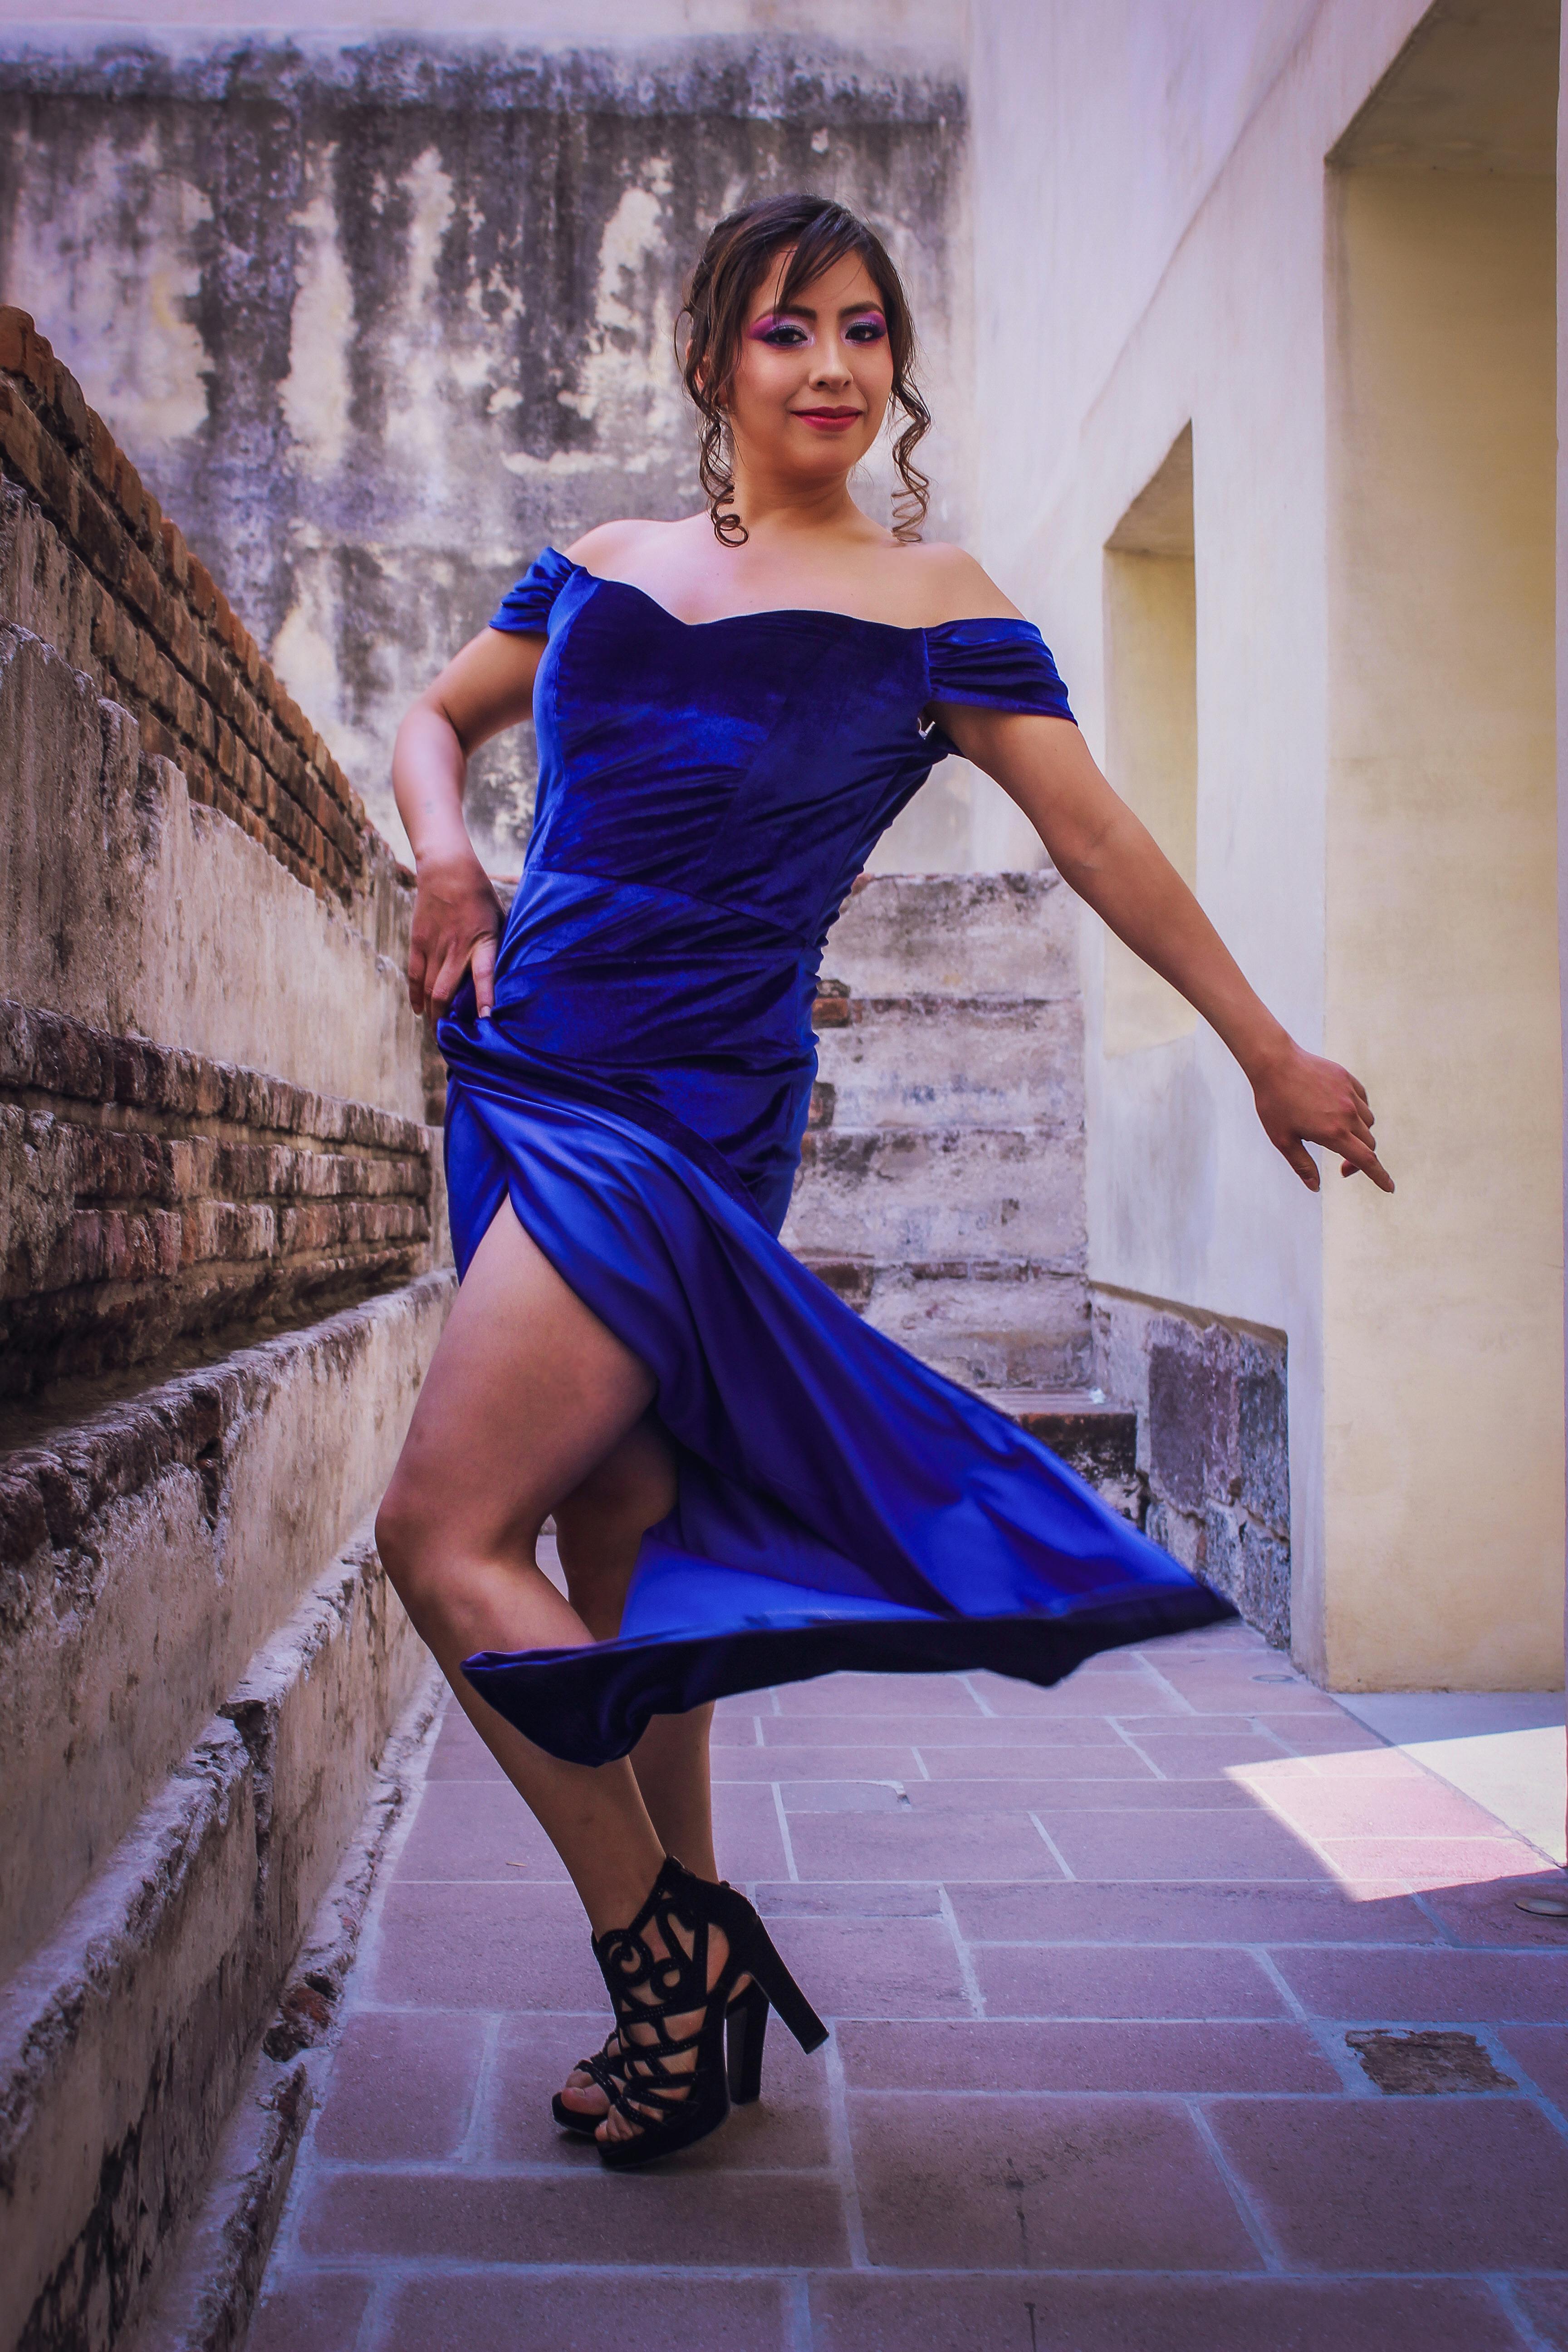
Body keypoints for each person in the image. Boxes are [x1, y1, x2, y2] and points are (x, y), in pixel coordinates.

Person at [376, 193, 1392, 2171]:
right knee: (620, 1526)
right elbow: (435, 718)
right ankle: (684, 2006)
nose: (833, 365)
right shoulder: (597, 567)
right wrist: (445, 853)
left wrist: (1268, 1045)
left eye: (863, 329)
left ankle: (671, 1951)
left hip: (683, 1112)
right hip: (519, 1074)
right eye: (786, 330)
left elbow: (1096, 841)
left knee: (441, 1530)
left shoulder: (936, 606)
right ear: (712, 361)